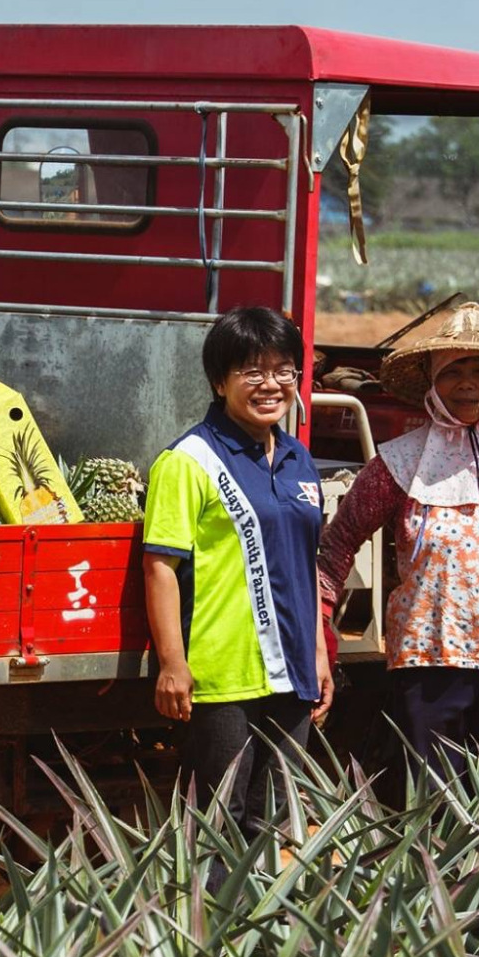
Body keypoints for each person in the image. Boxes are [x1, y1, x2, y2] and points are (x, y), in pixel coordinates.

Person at [317, 302, 479, 786]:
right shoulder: (400, 461)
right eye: (452, 371)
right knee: (429, 802)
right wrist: (321, 617)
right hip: (425, 664)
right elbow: (338, 542)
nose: (467, 383)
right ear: (432, 383)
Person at [142, 307, 333, 838]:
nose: (270, 384)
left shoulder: (298, 459)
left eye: (283, 370)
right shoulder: (188, 460)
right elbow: (160, 568)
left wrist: (318, 655)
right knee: (219, 824)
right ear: (219, 380)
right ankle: (215, 921)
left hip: (292, 670)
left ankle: (267, 921)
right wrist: (172, 664)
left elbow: (306, 561)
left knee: (276, 819)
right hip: (221, 675)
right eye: (252, 371)